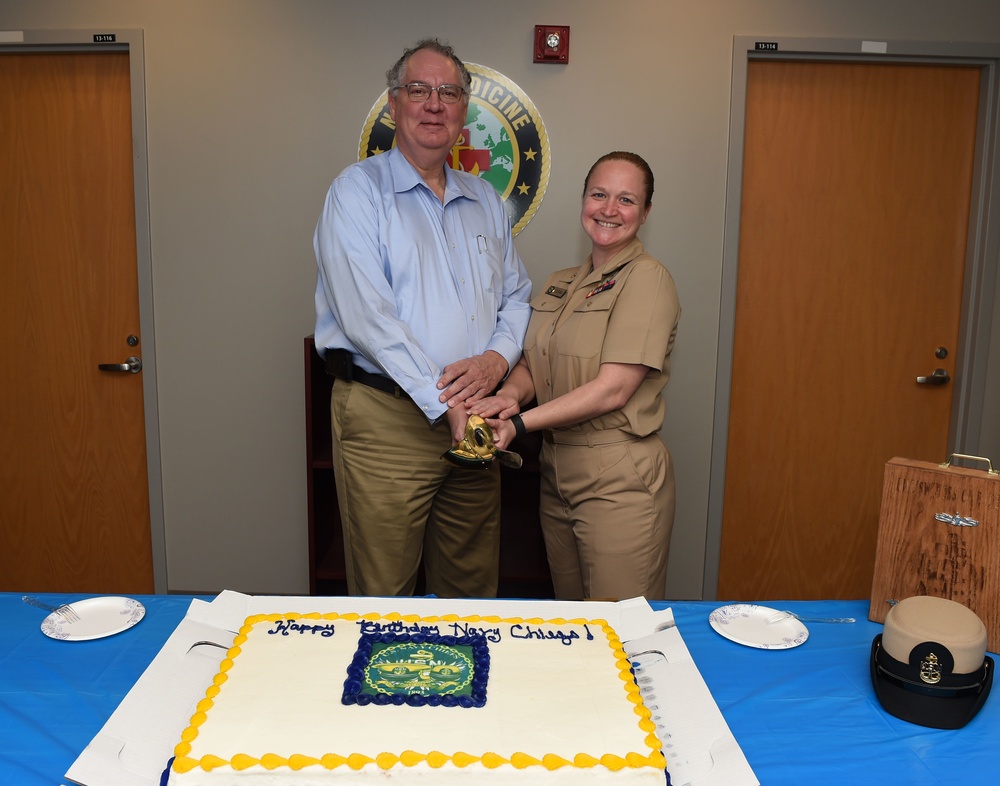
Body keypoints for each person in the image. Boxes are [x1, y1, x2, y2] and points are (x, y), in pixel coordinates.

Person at [313, 39, 532, 598]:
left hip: (475, 422)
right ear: (393, 105)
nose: (434, 104)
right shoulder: (356, 193)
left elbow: (517, 296)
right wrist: (447, 401)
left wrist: (494, 359)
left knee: (472, 591)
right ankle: (392, 692)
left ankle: (467, 688)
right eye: (419, 90)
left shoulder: (486, 200)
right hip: (387, 421)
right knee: (385, 594)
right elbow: (367, 318)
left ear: (464, 112)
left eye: (449, 93)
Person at [469, 151, 680, 601]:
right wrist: (508, 396)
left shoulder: (648, 280)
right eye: (599, 194)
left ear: (645, 213)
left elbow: (614, 389)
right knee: (577, 628)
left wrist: (520, 423)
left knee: (622, 632)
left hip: (618, 476)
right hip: (555, 469)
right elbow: (533, 362)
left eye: (626, 200)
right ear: (583, 200)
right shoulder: (558, 282)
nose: (609, 209)